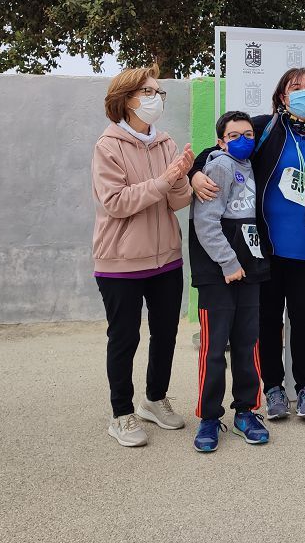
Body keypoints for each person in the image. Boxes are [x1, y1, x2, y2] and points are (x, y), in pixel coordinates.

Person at [189, 68, 305, 423]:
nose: (303, 92)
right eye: (294, 87)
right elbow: (220, 145)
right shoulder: (267, 128)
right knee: (268, 321)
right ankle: (272, 387)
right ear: (282, 96)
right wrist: (194, 172)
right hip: (267, 248)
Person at [91, 65, 194, 448]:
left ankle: (154, 398)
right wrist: (165, 181)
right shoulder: (108, 146)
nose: (155, 99)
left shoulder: (166, 142)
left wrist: (181, 176)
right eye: (148, 92)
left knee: (165, 333)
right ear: (126, 100)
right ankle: (121, 413)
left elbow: (178, 201)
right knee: (124, 337)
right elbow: (116, 203)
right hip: (120, 262)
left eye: (158, 92)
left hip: (166, 257)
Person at [189, 111, 271, 452]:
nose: (243, 140)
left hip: (249, 269)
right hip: (218, 272)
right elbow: (206, 223)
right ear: (221, 140)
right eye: (234, 135)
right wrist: (228, 262)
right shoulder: (219, 166)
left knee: (248, 343)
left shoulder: (253, 165)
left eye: (249, 134)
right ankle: (209, 417)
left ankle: (246, 411)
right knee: (213, 349)